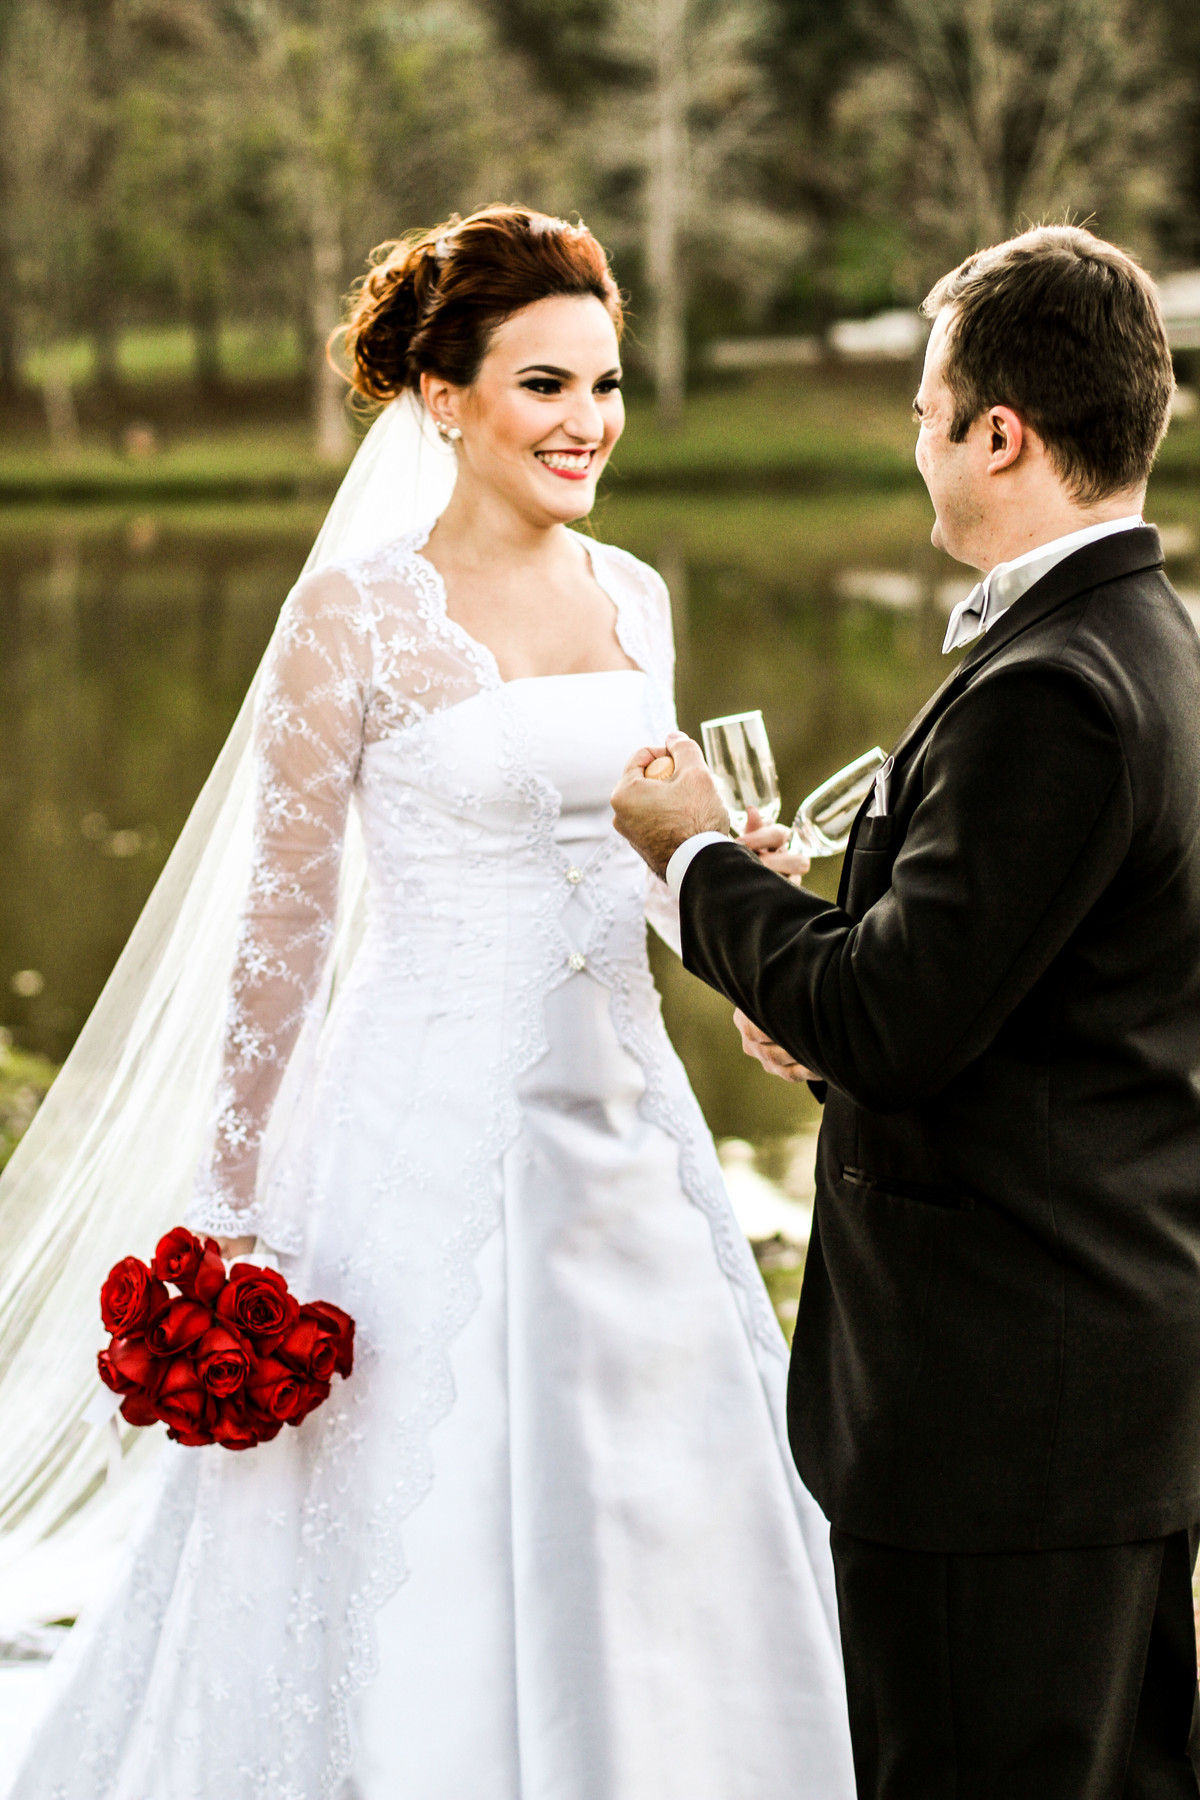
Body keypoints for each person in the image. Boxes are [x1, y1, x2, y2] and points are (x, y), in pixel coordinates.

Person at [2, 206, 855, 1800]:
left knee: (662, 1500)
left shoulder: (638, 596)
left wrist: (733, 889)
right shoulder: (354, 620)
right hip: (415, 1141)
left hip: (622, 1145)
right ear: (445, 396)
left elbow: (637, 874)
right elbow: (281, 931)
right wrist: (236, 1215)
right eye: (546, 384)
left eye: (606, 384)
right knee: (417, 1525)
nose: (589, 422)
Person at [611, 223, 1200, 1799]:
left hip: (999, 1419)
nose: (915, 442)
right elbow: (1017, 1002)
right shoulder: (1154, 647)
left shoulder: (1056, 686)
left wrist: (691, 867)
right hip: (1097, 1392)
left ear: (999, 433)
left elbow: (897, 1018)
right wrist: (831, 997)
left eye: (926, 408)